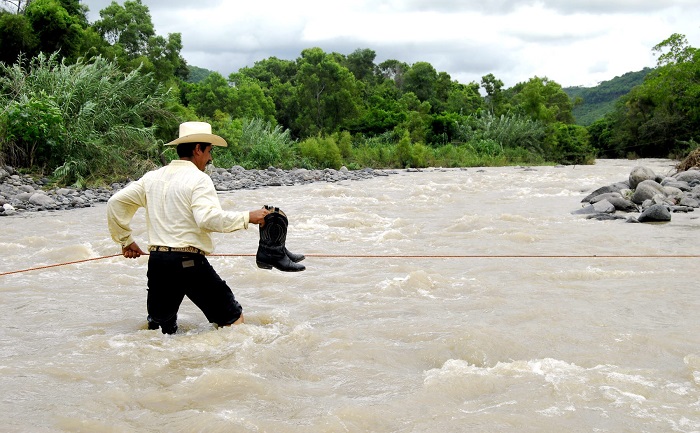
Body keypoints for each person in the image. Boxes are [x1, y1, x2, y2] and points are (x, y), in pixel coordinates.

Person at [106, 121, 269, 334]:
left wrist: (126, 240)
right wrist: (249, 217)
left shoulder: (152, 178)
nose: (210, 158)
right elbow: (207, 219)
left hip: (158, 263)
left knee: (159, 332)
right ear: (197, 149)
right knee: (233, 321)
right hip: (189, 263)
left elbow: (115, 203)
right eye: (209, 151)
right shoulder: (199, 179)